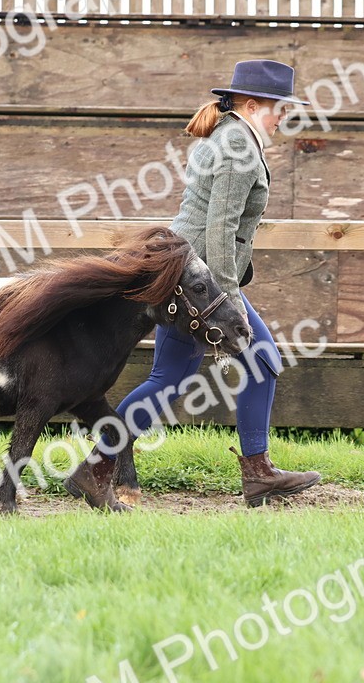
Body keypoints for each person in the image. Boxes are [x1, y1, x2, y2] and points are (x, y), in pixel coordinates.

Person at [65, 60, 323, 509]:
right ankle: (255, 472)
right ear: (251, 104)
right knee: (256, 363)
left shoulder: (231, 136)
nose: (285, 115)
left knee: (172, 378)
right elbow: (220, 227)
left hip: (186, 275)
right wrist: (227, 299)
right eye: (279, 107)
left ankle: (98, 469)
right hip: (199, 284)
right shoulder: (238, 147)